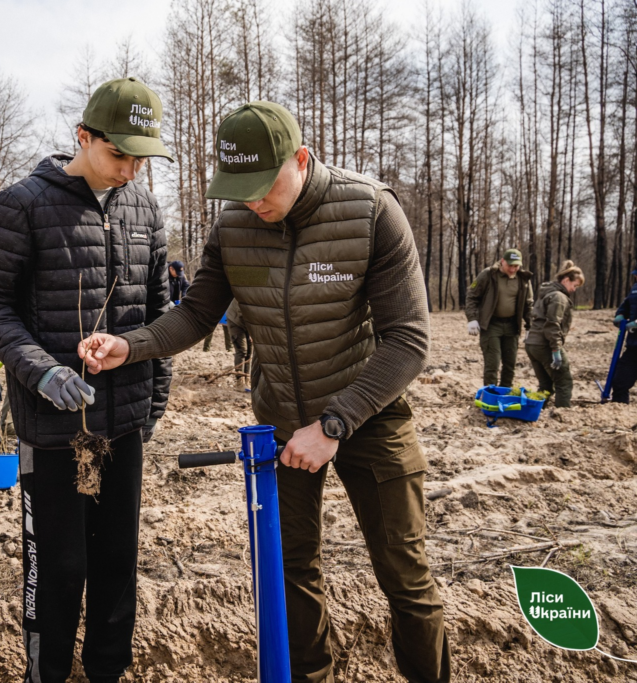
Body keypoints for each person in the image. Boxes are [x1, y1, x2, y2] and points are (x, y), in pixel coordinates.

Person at [81, 101, 450, 683]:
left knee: (404, 574)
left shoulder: (370, 210)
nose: (252, 201)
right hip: (281, 423)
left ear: (300, 160)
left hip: (369, 415)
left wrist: (334, 425)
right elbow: (198, 313)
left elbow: (408, 341)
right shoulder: (233, 227)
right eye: (238, 187)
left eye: (262, 185)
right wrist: (132, 345)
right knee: (289, 570)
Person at [0, 77, 173, 683]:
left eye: (141, 159)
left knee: (117, 565)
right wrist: (42, 371)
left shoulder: (144, 208)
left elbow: (159, 314)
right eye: (119, 155)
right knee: (57, 568)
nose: (131, 171)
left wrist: (154, 398)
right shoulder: (24, 203)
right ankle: (46, 674)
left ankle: (108, 673)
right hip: (53, 427)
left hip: (125, 423)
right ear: (83, 137)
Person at [464, 249, 534, 387]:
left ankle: (505, 394)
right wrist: (472, 318)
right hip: (491, 325)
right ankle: (490, 396)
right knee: (493, 364)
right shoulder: (488, 275)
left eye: (516, 266)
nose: (513, 269)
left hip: (512, 326)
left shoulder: (523, 279)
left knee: (510, 365)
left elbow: (528, 305)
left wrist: (531, 326)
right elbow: (472, 296)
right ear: (502, 262)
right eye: (510, 265)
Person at [525, 260, 585, 408]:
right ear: (566, 280)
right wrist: (556, 350)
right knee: (564, 382)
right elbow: (552, 325)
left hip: (532, 343)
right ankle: (562, 413)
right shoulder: (558, 297)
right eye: (574, 285)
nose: (574, 289)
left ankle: (533, 410)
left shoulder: (546, 292)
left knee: (545, 384)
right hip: (545, 344)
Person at [611, 269, 637, 403]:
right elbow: (627, 305)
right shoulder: (634, 289)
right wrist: (620, 315)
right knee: (620, 381)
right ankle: (616, 413)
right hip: (633, 345)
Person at [226, 298, 250, 389]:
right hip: (236, 320)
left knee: (249, 353)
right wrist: (252, 331)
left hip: (247, 323)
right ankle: (240, 382)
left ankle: (247, 380)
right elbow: (242, 313)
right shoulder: (245, 293)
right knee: (242, 350)